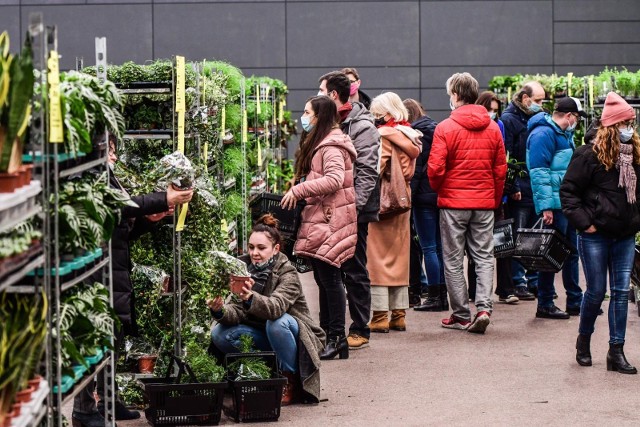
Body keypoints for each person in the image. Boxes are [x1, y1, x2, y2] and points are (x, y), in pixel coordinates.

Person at [72, 136, 194, 427]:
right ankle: (84, 410)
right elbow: (118, 204)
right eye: (109, 151)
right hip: (95, 269)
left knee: (111, 339)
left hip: (113, 267)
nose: (113, 157)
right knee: (94, 340)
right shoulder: (89, 176)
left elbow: (121, 228)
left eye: (114, 151)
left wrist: (150, 219)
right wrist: (163, 199)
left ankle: (109, 401)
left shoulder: (108, 175)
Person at [560, 92, 640, 374]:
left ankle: (615, 351)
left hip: (625, 234)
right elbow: (568, 192)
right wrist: (585, 224)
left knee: (620, 292)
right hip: (595, 234)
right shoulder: (587, 156)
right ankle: (584, 341)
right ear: (613, 126)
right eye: (626, 123)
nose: (630, 129)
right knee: (596, 291)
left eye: (632, 123)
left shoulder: (634, 155)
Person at [208, 214, 326, 403]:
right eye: (252, 247)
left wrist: (250, 297)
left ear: (275, 249)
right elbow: (237, 311)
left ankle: (290, 378)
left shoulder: (288, 273)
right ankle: (267, 369)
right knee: (219, 334)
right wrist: (220, 310)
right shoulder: (244, 269)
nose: (255, 253)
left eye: (261, 248)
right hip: (262, 333)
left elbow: (276, 308)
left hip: (294, 335)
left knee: (277, 323)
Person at [428, 72, 507, 334]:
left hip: (453, 203)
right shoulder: (493, 127)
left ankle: (461, 314)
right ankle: (483, 308)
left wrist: (440, 190)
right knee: (484, 257)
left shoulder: (445, 128)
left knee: (452, 259)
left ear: (456, 95)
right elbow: (500, 169)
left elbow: (436, 168)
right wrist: (493, 199)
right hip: (484, 203)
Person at [281, 95, 357, 360]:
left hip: (330, 220)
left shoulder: (331, 146)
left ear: (320, 116)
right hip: (327, 218)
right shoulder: (326, 142)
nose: (303, 118)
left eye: (307, 113)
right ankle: (330, 336)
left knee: (331, 280)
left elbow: (335, 179)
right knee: (325, 280)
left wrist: (300, 189)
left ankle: (336, 337)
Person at [317, 71, 380, 350]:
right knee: (329, 268)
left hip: (355, 210)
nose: (317, 95)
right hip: (328, 208)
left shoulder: (362, 125)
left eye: (321, 90)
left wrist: (353, 208)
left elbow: (367, 171)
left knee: (354, 267)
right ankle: (331, 330)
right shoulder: (327, 122)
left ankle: (360, 327)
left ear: (332, 94)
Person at [367, 92, 422, 333]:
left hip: (383, 203)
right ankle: (399, 315)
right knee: (400, 257)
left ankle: (379, 316)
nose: (375, 117)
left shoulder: (384, 137)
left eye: (377, 113)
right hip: (402, 201)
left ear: (387, 113)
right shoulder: (410, 135)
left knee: (377, 259)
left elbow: (375, 169)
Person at [527, 97, 585, 319]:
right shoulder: (544, 134)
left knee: (571, 253)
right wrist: (546, 208)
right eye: (577, 118)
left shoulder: (562, 134)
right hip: (555, 204)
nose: (577, 122)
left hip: (566, 203)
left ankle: (574, 301)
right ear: (569, 116)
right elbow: (539, 173)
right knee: (550, 254)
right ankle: (545, 302)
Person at [501, 82, 546, 301]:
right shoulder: (510, 119)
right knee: (519, 234)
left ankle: (533, 280)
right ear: (525, 98)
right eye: (538, 100)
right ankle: (519, 281)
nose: (541, 105)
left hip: (533, 185)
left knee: (534, 234)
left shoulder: (530, 119)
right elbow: (507, 155)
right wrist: (514, 185)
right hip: (522, 186)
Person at [402, 98, 447, 312]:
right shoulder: (438, 129)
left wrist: (409, 196)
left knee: (428, 247)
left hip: (422, 197)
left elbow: (417, 171)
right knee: (439, 247)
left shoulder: (415, 135)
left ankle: (434, 296)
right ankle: (444, 294)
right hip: (440, 194)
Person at [475, 91, 519, 304]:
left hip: (497, 193)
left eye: (495, 110)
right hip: (480, 194)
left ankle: (506, 288)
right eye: (489, 109)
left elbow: (503, 159)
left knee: (502, 241)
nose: (492, 114)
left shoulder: (499, 126)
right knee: (477, 245)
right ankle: (475, 290)